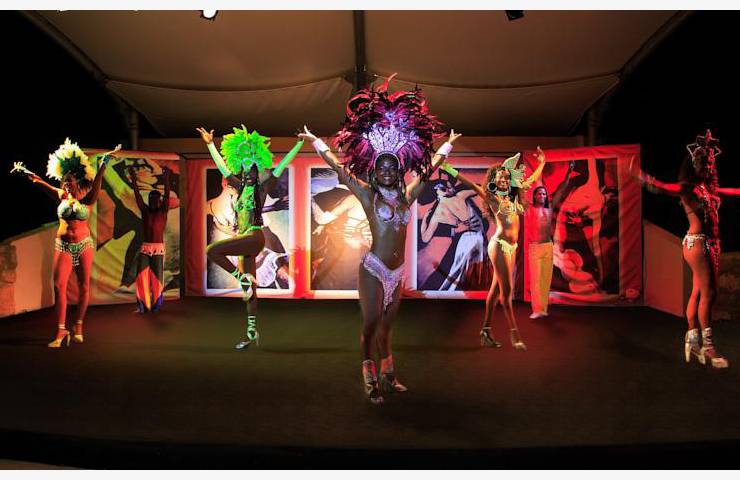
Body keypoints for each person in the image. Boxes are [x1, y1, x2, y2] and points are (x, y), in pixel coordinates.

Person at [299, 74, 460, 404]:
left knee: (387, 327)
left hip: (396, 274)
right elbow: (340, 168)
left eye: (392, 167)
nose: (387, 171)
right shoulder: (368, 196)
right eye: (382, 166)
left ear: (398, 171)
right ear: (375, 170)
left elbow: (430, 169)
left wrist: (448, 145)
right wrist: (315, 142)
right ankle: (369, 374)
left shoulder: (406, 197)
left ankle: (389, 374)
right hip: (373, 269)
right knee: (371, 323)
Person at [630, 130, 740, 368]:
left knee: (699, 291)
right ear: (694, 164)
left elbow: (733, 192)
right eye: (703, 162)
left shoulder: (709, 189)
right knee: (709, 294)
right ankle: (708, 348)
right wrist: (645, 179)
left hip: (709, 244)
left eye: (710, 163)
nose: (707, 166)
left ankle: (692, 340)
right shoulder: (688, 188)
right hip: (697, 243)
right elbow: (663, 187)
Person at [196, 125, 303, 349]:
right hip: (243, 240)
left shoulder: (261, 189)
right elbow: (222, 166)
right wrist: (210, 144)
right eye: (245, 171)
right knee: (250, 292)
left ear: (257, 172)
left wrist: (299, 144)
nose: (248, 174)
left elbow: (281, 165)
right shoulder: (238, 187)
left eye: (252, 170)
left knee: (211, 251)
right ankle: (251, 332)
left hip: (254, 237)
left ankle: (242, 277)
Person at [11, 139, 120, 347]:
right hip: (63, 245)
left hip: (84, 245)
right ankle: (61, 331)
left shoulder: (87, 198)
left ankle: (78, 326)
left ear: (77, 183)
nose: (67, 185)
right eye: (64, 182)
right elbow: (40, 183)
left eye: (70, 182)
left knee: (84, 286)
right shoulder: (61, 195)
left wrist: (103, 166)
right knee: (59, 285)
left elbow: (97, 184)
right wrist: (24, 171)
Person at [441, 149, 545, 350]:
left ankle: (485, 331)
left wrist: (542, 163)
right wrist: (447, 168)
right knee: (507, 292)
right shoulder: (492, 198)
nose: (504, 180)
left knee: (496, 290)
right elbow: (471, 184)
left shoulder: (513, 197)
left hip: (511, 247)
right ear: (494, 181)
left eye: (506, 177)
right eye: (500, 178)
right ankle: (515, 334)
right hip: (499, 246)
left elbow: (531, 179)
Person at [524, 161, 574, 318]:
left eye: (544, 194)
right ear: (534, 196)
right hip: (535, 247)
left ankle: (543, 308)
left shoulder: (550, 207)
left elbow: (562, 189)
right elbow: (527, 188)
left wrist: (568, 173)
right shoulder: (529, 208)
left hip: (547, 247)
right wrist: (538, 166)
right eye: (539, 193)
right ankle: (536, 309)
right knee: (536, 280)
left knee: (545, 280)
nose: (542, 195)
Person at [419, 176, 488, 290]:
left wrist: (425, 221)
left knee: (461, 274)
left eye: (449, 187)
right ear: (437, 192)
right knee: (466, 273)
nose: (448, 189)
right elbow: (480, 189)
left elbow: (425, 238)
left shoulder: (438, 213)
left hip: (468, 240)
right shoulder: (459, 196)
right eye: (444, 188)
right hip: (474, 238)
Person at [127, 164, 175, 313]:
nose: (153, 201)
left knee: (157, 278)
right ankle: (142, 306)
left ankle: (155, 306)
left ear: (160, 201)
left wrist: (166, 178)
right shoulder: (145, 210)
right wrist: (133, 178)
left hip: (158, 249)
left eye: (156, 199)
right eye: (151, 199)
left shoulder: (163, 211)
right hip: (145, 248)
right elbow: (137, 195)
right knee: (141, 276)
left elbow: (167, 194)